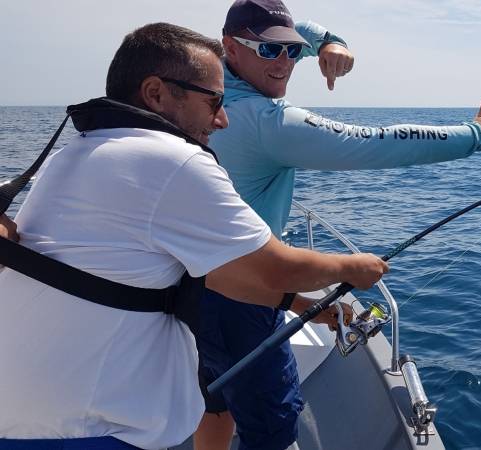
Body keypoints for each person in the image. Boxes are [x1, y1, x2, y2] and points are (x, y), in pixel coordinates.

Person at [0, 22, 388, 450]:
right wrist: (358, 267)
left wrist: (299, 306)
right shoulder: (174, 160)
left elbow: (210, 272)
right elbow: (277, 271)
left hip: (22, 420)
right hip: (92, 431)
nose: (222, 120)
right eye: (214, 102)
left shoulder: (73, 154)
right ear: (155, 93)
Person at [195, 1, 481, 449]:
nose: (284, 63)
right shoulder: (266, 123)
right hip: (244, 301)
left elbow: (294, 32)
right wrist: (476, 135)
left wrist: (328, 42)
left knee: (216, 402)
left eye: (291, 51)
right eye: (269, 52)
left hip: (198, 279)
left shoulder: (211, 85)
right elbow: (376, 144)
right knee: (272, 429)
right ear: (232, 47)